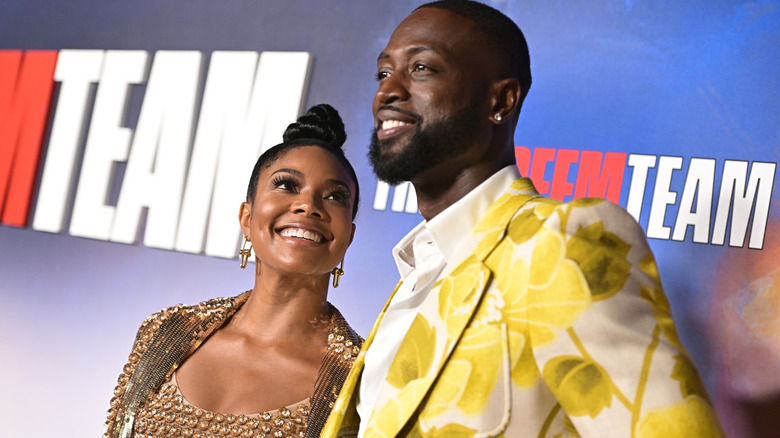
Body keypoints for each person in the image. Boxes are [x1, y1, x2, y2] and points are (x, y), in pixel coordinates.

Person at [322, 1, 725, 437]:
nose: (387, 92)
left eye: (421, 68)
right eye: (384, 73)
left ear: (501, 100)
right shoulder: (417, 275)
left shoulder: (561, 239)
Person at [104, 104, 363, 438]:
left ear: (349, 237)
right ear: (246, 218)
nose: (308, 205)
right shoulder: (164, 331)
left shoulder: (359, 380)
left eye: (334, 197)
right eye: (287, 185)